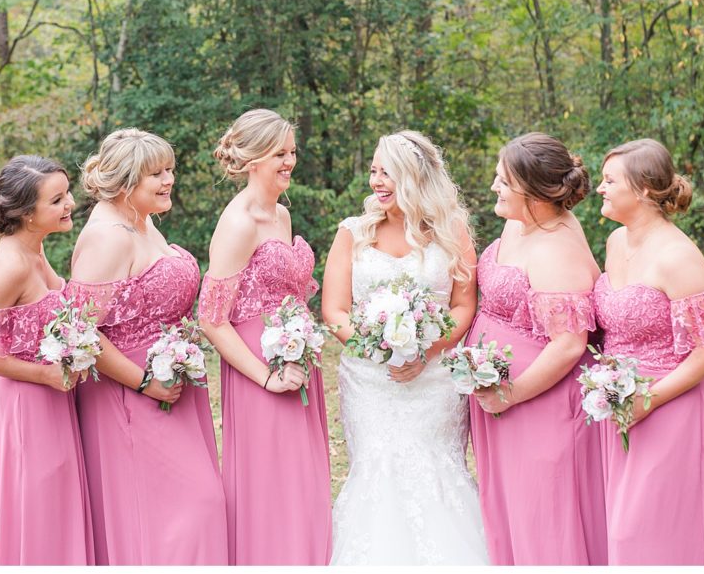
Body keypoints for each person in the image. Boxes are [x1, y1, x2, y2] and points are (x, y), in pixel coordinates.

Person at [321, 130, 489, 565]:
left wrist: (426, 352)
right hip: (370, 380)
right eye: (374, 170)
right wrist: (376, 347)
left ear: (414, 178)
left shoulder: (451, 232)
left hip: (435, 380)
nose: (376, 181)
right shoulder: (353, 232)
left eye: (388, 173)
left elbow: (462, 304)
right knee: (376, 470)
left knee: (435, 469)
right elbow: (335, 310)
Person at [67, 128, 227, 565]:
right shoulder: (108, 237)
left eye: (170, 169)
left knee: (186, 511)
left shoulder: (143, 220)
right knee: (192, 508)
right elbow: (80, 333)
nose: (168, 180)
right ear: (125, 182)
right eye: (156, 173)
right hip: (130, 397)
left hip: (171, 385)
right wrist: (143, 383)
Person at [593, 138, 704, 565]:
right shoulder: (614, 242)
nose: (600, 188)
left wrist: (650, 397)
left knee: (651, 533)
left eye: (610, 180)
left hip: (670, 407)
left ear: (643, 190)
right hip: (621, 405)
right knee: (625, 531)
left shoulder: (678, 256)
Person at [465, 133, 607, 565]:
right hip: (502, 399)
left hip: (539, 403)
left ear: (534, 192)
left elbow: (568, 345)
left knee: (543, 515)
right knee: (510, 508)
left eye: (503, 182)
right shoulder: (519, 222)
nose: (494, 187)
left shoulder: (556, 248)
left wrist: (511, 392)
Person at [197, 109, 331, 565]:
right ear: (253, 159)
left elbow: (289, 291)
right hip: (260, 368)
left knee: (303, 478)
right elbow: (212, 319)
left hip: (295, 356)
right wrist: (265, 376)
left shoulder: (282, 214)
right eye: (280, 153)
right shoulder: (238, 223)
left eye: (292, 151)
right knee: (273, 481)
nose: (290, 160)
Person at [0, 155, 93, 565]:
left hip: (53, 402)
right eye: (57, 200)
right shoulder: (10, 263)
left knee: (54, 507)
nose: (70, 205)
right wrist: (44, 375)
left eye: (67, 195)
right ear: (28, 215)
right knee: (34, 509)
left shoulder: (36, 249)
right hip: (23, 408)